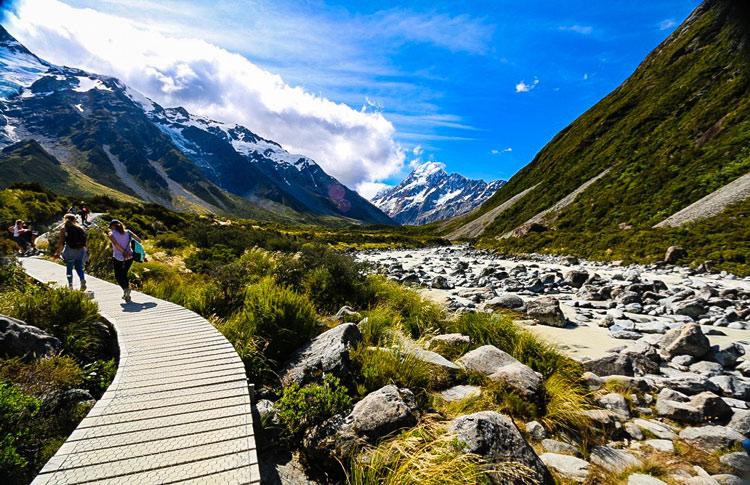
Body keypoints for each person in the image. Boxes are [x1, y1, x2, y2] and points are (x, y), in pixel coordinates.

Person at [108, 219, 141, 302]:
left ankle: (126, 289)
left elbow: (116, 245)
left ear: (113, 227)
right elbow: (139, 240)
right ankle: (126, 295)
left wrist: (124, 252)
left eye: (110, 227)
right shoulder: (128, 232)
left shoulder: (111, 234)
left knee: (118, 276)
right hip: (130, 257)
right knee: (124, 274)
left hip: (118, 257)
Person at [54, 214, 87, 290]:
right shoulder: (80, 228)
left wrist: (58, 252)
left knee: (69, 268)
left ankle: (70, 286)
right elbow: (85, 241)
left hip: (70, 250)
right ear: (74, 220)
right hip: (80, 250)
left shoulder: (64, 229)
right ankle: (82, 280)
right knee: (79, 267)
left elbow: (61, 242)